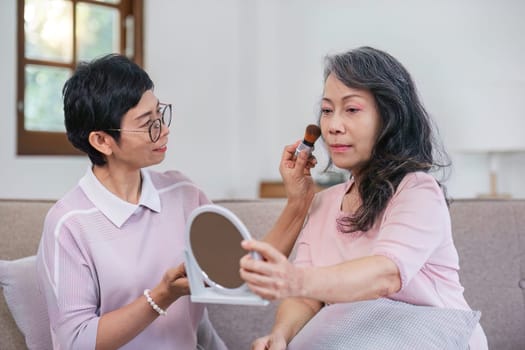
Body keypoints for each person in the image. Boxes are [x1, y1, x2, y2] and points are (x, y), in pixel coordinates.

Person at [239, 46, 488, 349]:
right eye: (328, 110)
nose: (333, 125)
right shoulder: (323, 203)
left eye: (352, 109)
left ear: (390, 117)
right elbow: (306, 299)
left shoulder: (418, 191)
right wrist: (281, 335)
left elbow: (385, 275)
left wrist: (297, 278)